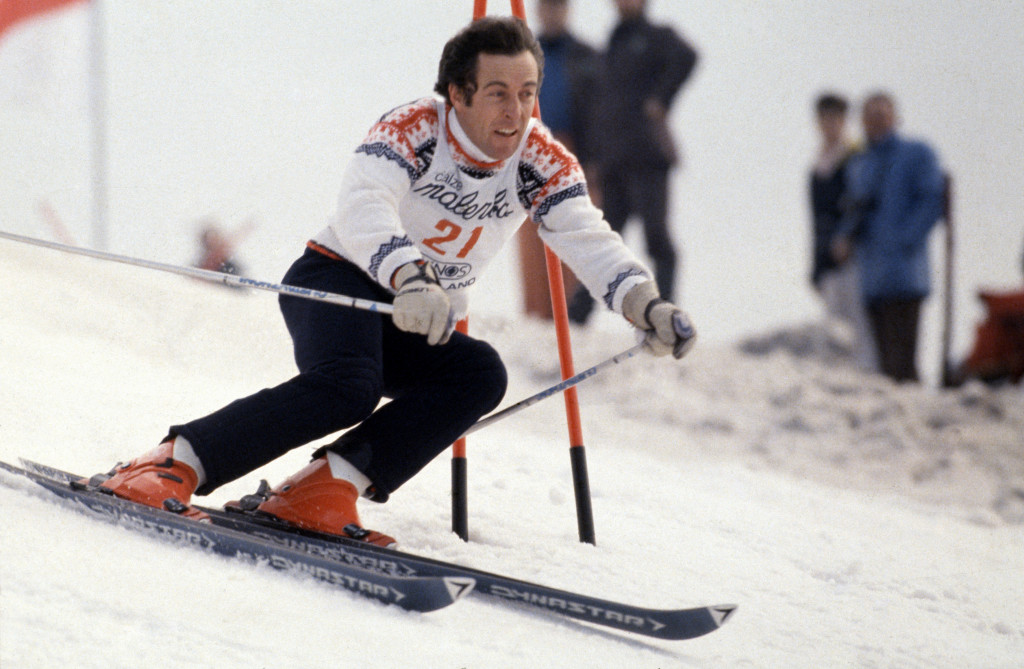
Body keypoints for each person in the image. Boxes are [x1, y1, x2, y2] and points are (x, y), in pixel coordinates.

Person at [84, 17, 696, 547]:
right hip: (339, 278)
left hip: (420, 313)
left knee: (479, 374)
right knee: (348, 387)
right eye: (498, 93)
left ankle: (323, 488)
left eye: (527, 93)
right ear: (458, 93)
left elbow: (587, 236)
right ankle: (171, 462)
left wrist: (645, 304)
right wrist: (410, 275)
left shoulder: (542, 159)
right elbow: (365, 204)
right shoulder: (414, 128)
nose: (516, 112)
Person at [567, 0, 698, 324]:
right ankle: (579, 314)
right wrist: (593, 156)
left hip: (646, 155)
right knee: (606, 239)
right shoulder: (611, 45)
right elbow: (598, 107)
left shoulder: (656, 36)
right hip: (612, 159)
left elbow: (687, 55)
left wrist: (661, 99)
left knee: (656, 235)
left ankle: (666, 313)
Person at [833, 92, 944, 382]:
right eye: (870, 116)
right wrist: (844, 237)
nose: (876, 122)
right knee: (883, 360)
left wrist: (904, 240)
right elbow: (853, 210)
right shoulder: (859, 163)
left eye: (881, 115)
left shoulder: (916, 154)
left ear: (894, 117)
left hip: (904, 273)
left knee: (903, 359)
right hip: (872, 275)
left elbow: (932, 200)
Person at [517, 0, 600, 319]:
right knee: (530, 235)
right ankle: (536, 317)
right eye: (547, 6)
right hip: (529, 150)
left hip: (572, 151)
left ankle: (567, 318)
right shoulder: (522, 53)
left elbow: (601, 111)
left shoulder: (586, 55)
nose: (553, 12)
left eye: (558, 6)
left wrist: (595, 161)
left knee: (571, 233)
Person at [808, 92, 876, 370]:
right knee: (834, 324)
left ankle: (866, 374)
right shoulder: (818, 163)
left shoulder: (855, 157)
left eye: (835, 118)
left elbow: (861, 203)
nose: (829, 124)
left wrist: (848, 237)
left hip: (853, 255)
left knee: (859, 324)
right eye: (824, 118)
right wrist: (815, 264)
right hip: (827, 256)